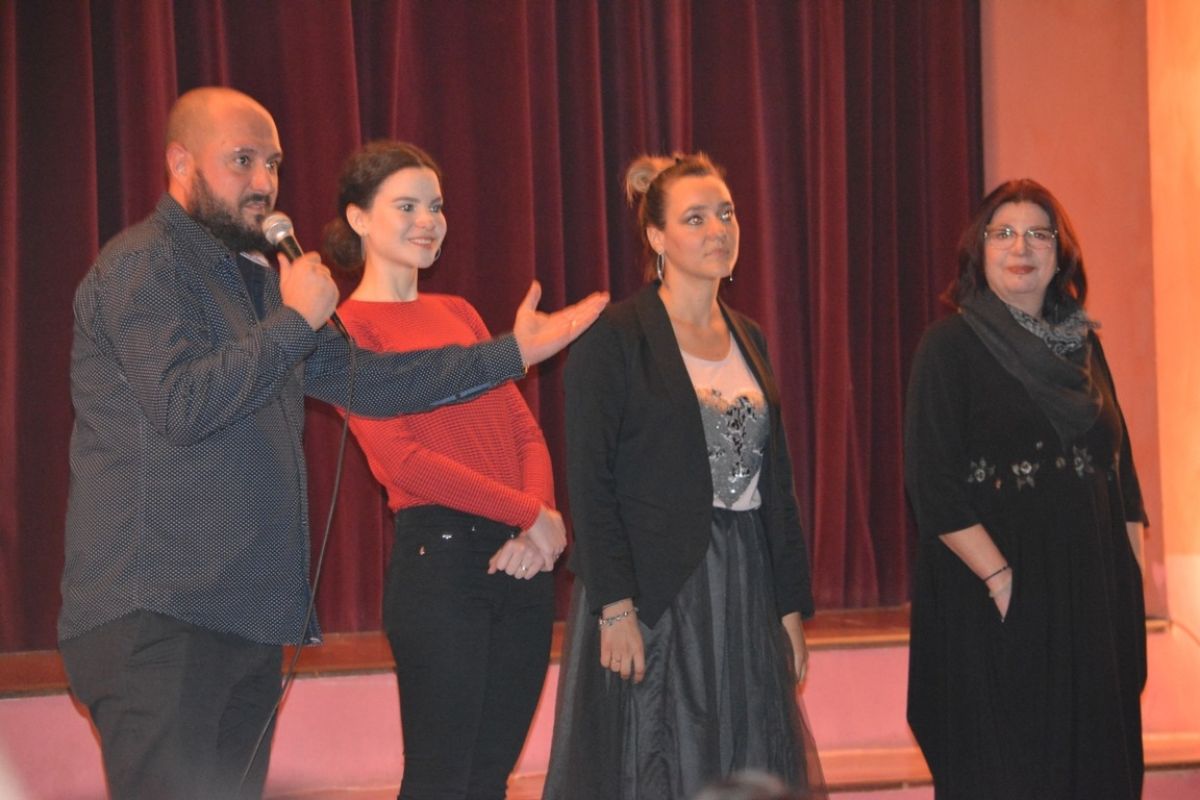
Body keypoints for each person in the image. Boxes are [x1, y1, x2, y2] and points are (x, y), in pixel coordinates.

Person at [57, 87, 606, 800]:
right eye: (242, 161)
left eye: (273, 164)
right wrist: (294, 322)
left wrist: (512, 353)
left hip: (244, 619)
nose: (264, 182)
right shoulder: (144, 264)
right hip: (157, 617)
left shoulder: (260, 285)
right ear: (180, 163)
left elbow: (373, 380)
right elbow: (181, 404)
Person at [543, 153, 826, 799]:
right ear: (656, 236)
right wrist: (615, 606)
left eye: (726, 214)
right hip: (657, 588)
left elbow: (777, 486)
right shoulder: (615, 336)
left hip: (745, 581)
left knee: (747, 751)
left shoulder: (749, 336)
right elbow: (591, 482)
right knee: (659, 757)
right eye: (695, 218)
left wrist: (788, 608)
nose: (718, 229)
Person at [321, 140, 564, 799]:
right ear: (359, 218)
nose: (428, 220)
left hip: (522, 560)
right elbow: (403, 461)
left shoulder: (458, 312)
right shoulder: (344, 330)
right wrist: (531, 513)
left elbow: (524, 431)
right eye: (407, 206)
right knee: (440, 781)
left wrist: (536, 528)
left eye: (436, 206)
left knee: (489, 780)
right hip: (443, 566)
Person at [904, 178, 1147, 799]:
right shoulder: (949, 347)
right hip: (998, 599)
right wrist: (1002, 581)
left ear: (1060, 255)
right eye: (1004, 233)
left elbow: (1119, 471)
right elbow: (933, 483)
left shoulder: (1084, 347)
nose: (1022, 247)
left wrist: (1129, 583)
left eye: (1039, 234)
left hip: (1091, 597)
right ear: (979, 250)